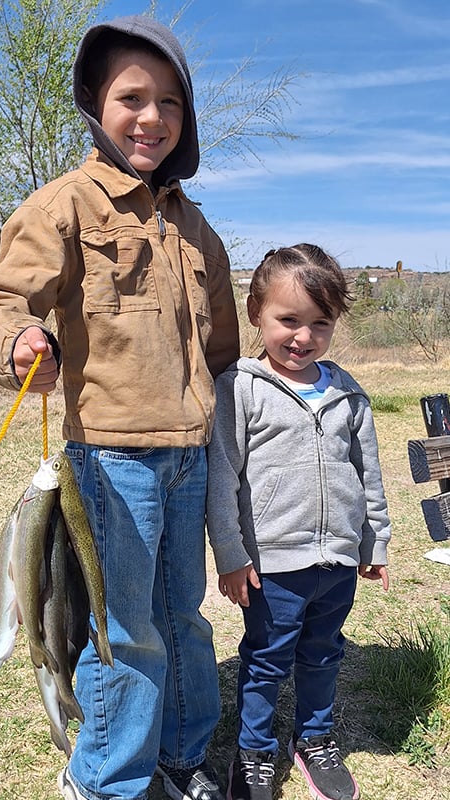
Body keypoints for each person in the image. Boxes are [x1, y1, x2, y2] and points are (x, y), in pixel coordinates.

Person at [0, 14, 240, 800]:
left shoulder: (197, 230)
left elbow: (221, 351)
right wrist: (19, 340)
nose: (151, 117)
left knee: (183, 618)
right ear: (95, 102)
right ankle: (107, 780)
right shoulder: (65, 205)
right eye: (131, 97)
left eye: (170, 103)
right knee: (124, 630)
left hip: (190, 457)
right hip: (109, 462)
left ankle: (181, 758)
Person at [205, 244, 391, 800]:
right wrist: (232, 556)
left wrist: (372, 541)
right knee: (265, 661)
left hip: (335, 562)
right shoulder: (239, 389)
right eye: (288, 320)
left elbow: (370, 475)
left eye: (320, 323)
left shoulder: (347, 392)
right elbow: (223, 482)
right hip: (273, 566)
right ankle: (255, 751)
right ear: (255, 313)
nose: (302, 337)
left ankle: (313, 739)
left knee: (323, 652)